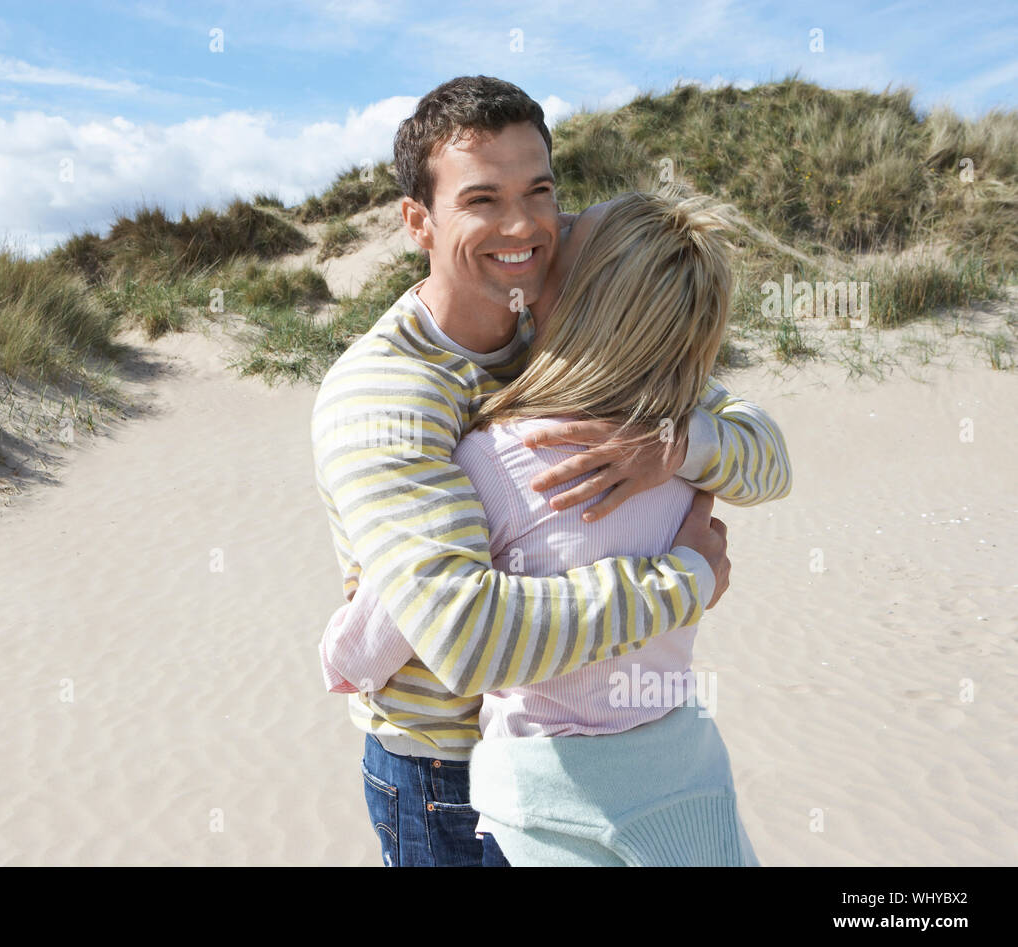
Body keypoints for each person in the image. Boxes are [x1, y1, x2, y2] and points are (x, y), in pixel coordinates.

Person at [310, 75, 791, 867]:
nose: (525, 224)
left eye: (540, 191)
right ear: (416, 222)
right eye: (483, 200)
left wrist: (672, 446)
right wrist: (684, 582)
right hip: (448, 775)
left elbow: (766, 454)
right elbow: (467, 638)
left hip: (585, 761)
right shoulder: (387, 393)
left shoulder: (574, 334)